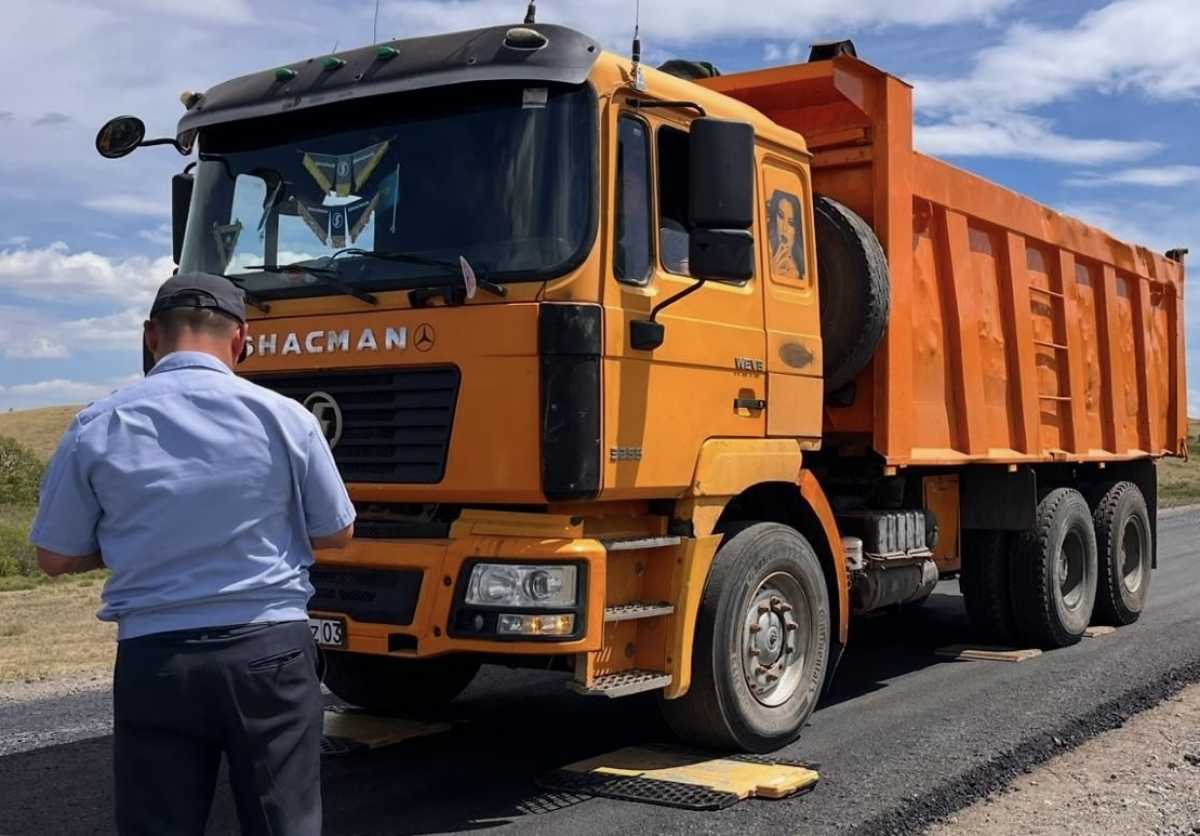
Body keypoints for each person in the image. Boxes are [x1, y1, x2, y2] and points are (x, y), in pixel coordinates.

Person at [30, 272, 356, 836]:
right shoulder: (287, 418)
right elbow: (337, 533)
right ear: (241, 340)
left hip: (155, 659)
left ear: (151, 337)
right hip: (268, 651)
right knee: (285, 823)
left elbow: (55, 558)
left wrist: (137, 543)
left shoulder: (97, 424)